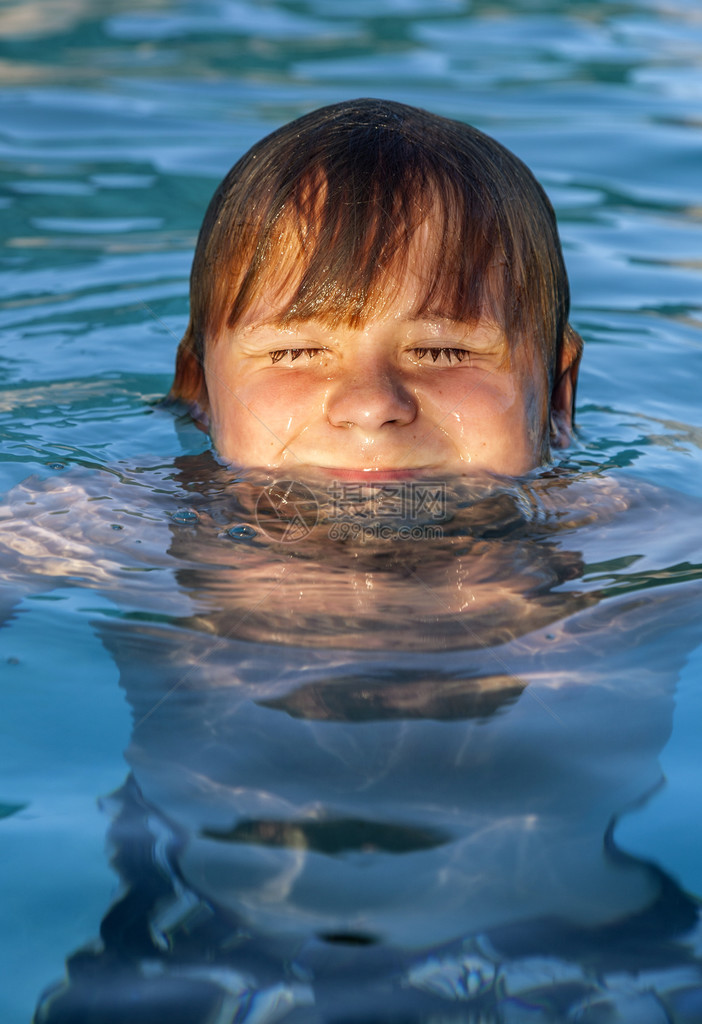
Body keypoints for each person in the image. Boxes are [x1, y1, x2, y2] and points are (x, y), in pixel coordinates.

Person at [168, 98, 582, 479]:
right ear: (200, 395)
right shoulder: (119, 528)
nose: (371, 407)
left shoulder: (624, 531)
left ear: (556, 403)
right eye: (295, 352)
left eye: (443, 352)